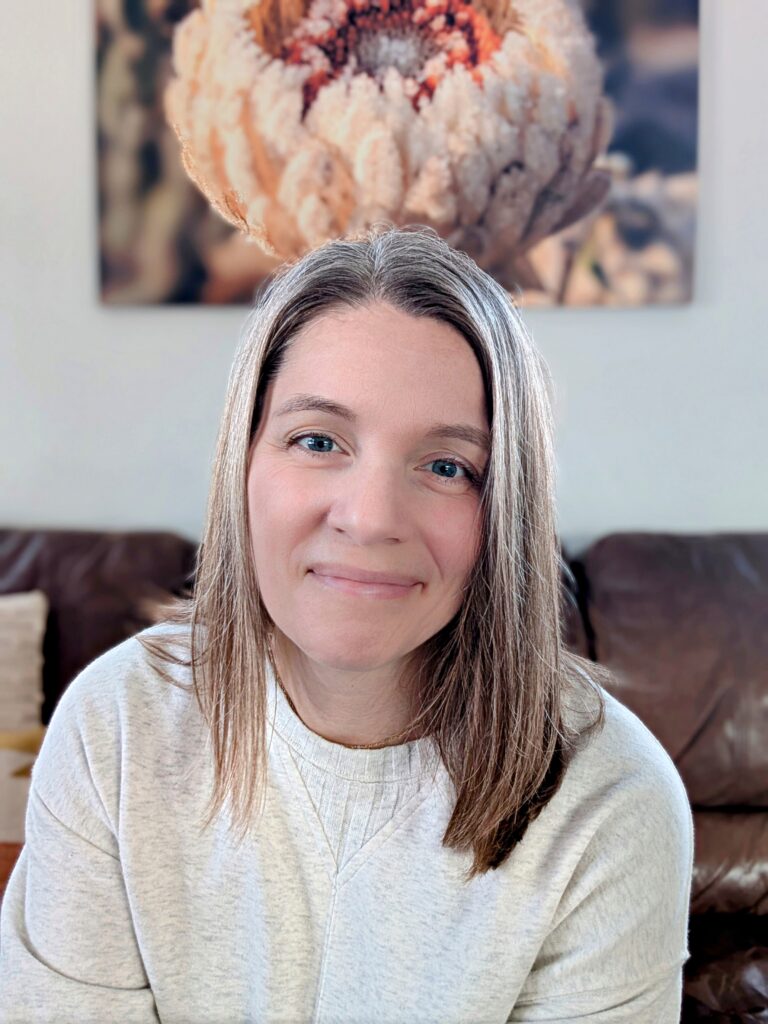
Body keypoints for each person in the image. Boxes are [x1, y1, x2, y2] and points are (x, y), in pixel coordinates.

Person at [0, 224, 694, 1023]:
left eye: (447, 466)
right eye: (319, 440)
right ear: (243, 464)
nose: (369, 519)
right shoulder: (115, 729)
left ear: (506, 510)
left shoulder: (614, 803)